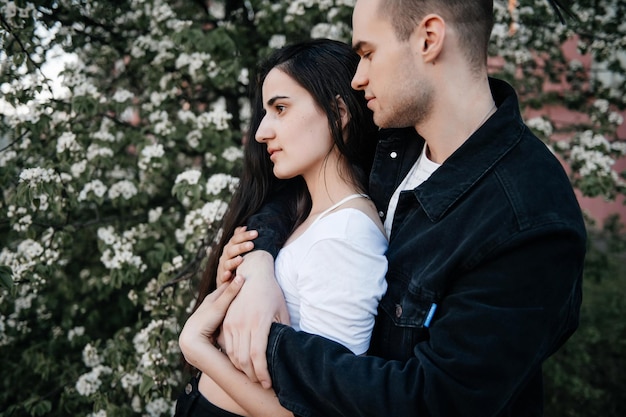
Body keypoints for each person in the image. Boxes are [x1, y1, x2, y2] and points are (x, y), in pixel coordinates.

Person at [185, 0, 588, 416]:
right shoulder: (396, 139)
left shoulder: (528, 221)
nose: (358, 78)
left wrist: (251, 340)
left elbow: (430, 403)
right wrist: (259, 265)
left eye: (367, 53)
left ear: (429, 39)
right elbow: (305, 192)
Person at [176, 38, 388, 417]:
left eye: (281, 108)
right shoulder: (309, 213)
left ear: (338, 113)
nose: (261, 132)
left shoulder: (347, 235)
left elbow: (318, 409)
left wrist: (199, 348)